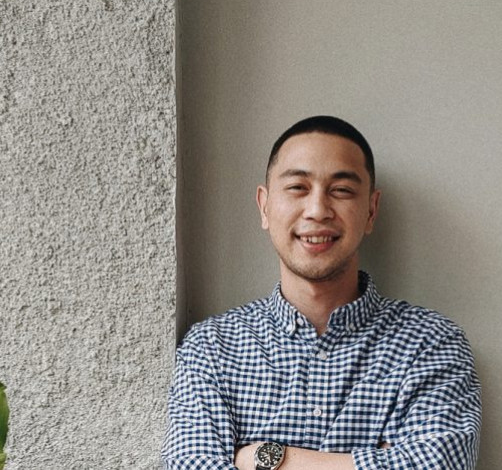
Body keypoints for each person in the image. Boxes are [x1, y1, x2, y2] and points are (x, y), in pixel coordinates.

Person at [162, 115, 481, 470]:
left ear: (371, 210)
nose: (317, 210)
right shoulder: (212, 348)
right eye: (298, 187)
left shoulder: (431, 343)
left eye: (341, 190)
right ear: (265, 206)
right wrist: (381, 460)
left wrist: (264, 458)